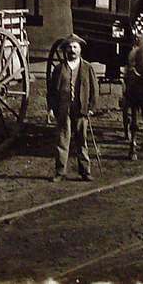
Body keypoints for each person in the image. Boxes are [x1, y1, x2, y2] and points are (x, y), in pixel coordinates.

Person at [46, 33, 99, 182]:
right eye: (69, 47)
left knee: (81, 139)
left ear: (80, 49)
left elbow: (94, 89)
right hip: (63, 109)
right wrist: (51, 107)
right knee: (62, 139)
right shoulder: (58, 69)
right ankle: (60, 172)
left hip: (81, 109)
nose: (72, 50)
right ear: (65, 50)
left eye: (75, 47)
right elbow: (51, 90)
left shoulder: (87, 68)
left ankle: (85, 171)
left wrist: (92, 107)